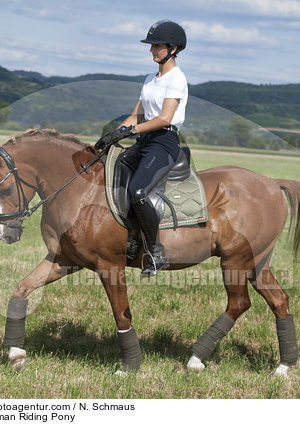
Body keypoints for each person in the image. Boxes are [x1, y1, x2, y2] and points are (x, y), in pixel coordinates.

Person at [96, 20, 188, 277]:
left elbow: (165, 118)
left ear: (173, 48)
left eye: (156, 46)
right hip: (145, 140)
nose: (152, 50)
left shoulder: (177, 78)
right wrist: (114, 134)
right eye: (152, 46)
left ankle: (156, 252)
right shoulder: (151, 79)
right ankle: (129, 237)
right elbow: (136, 115)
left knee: (138, 191)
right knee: (115, 172)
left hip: (164, 143)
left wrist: (133, 131)